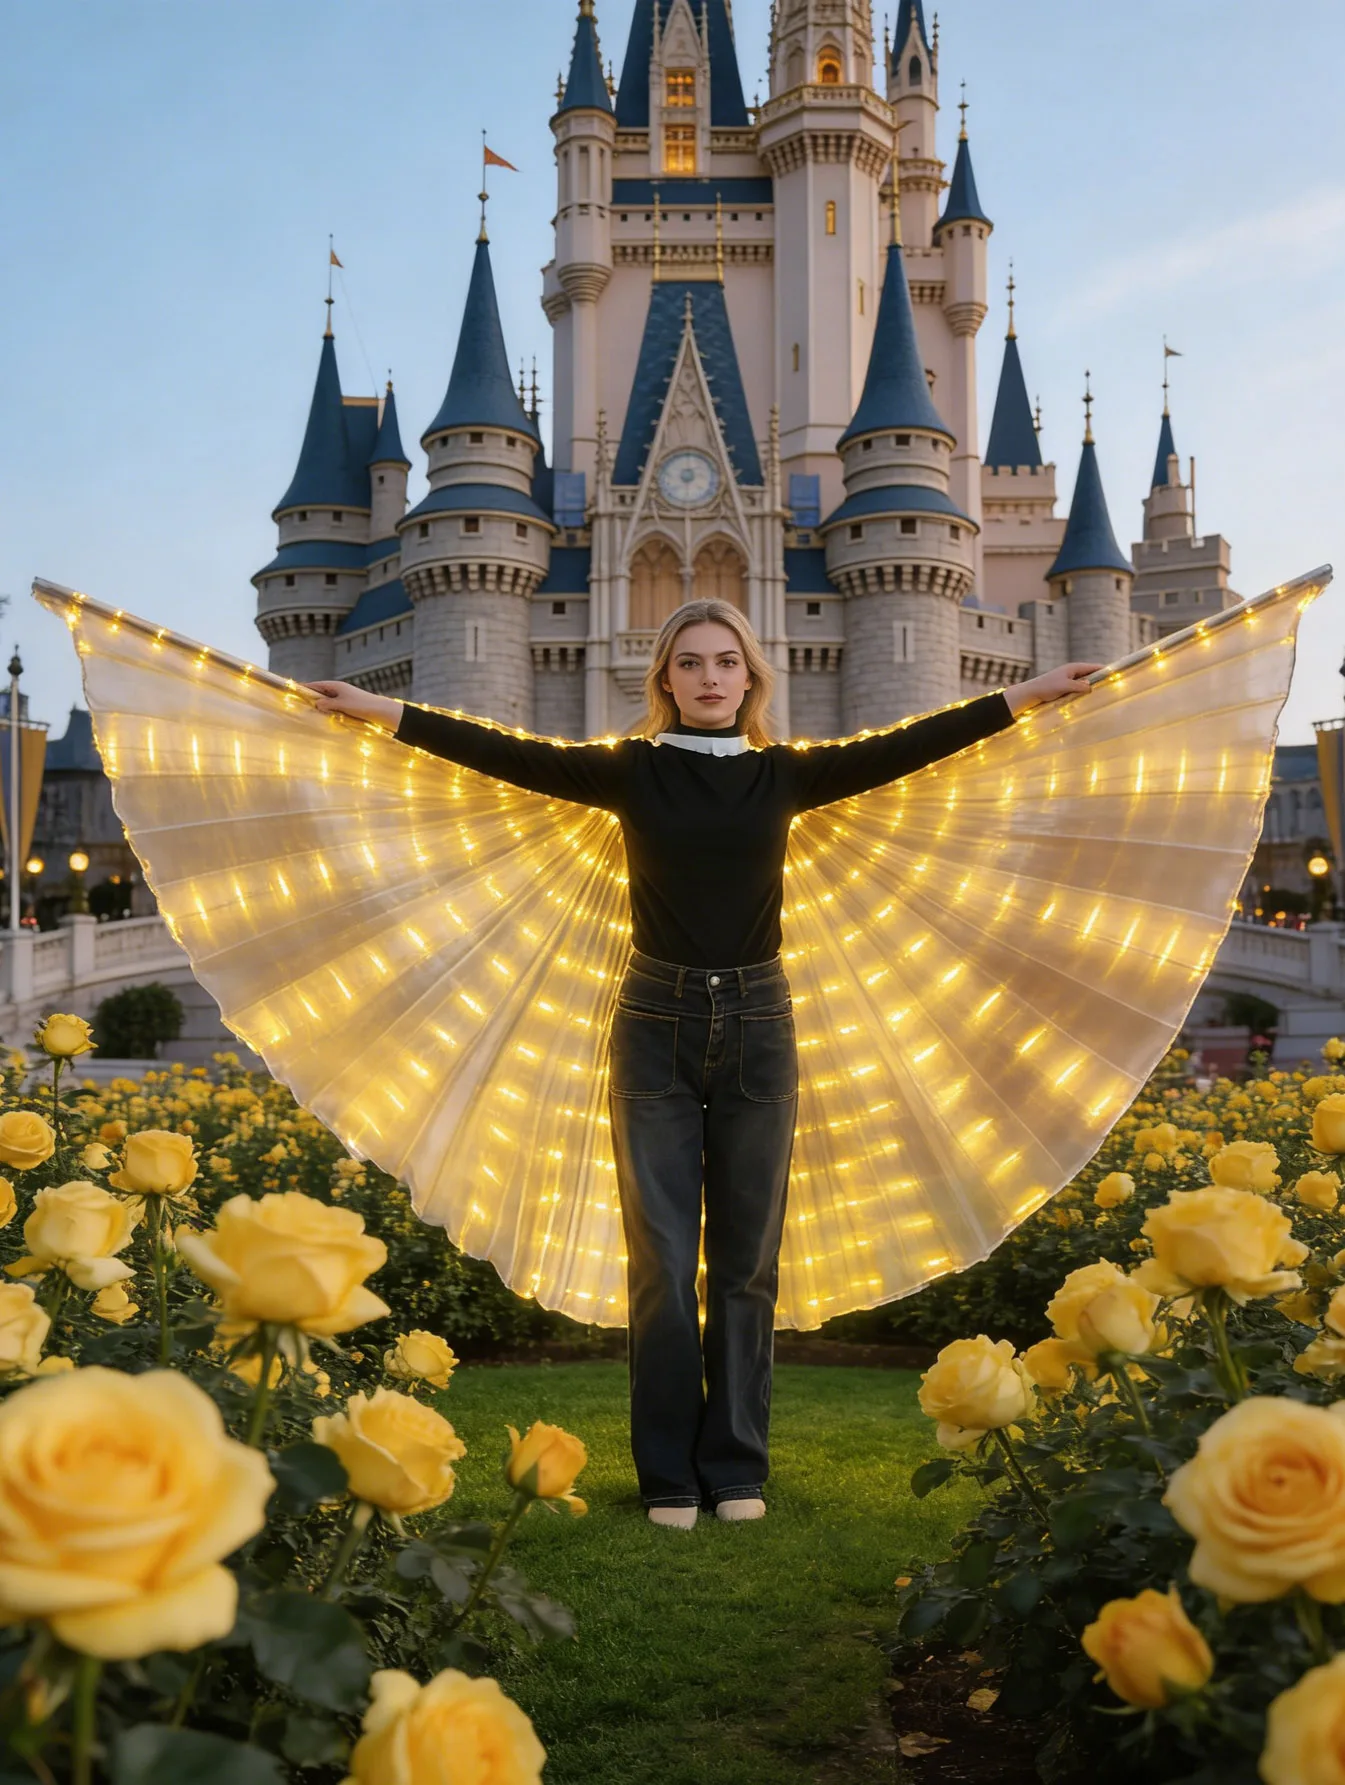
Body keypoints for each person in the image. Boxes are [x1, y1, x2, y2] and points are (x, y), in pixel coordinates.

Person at [306, 598, 1101, 1531]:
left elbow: (909, 748)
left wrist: (1023, 697)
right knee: (660, 1262)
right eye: (691, 663)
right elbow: (509, 756)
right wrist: (383, 711)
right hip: (653, 1025)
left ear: (751, 677)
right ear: (666, 680)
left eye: (727, 661)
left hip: (762, 1024)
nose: (711, 677)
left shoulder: (780, 777)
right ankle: (668, 1477)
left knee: (744, 1264)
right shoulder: (634, 772)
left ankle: (734, 1467)